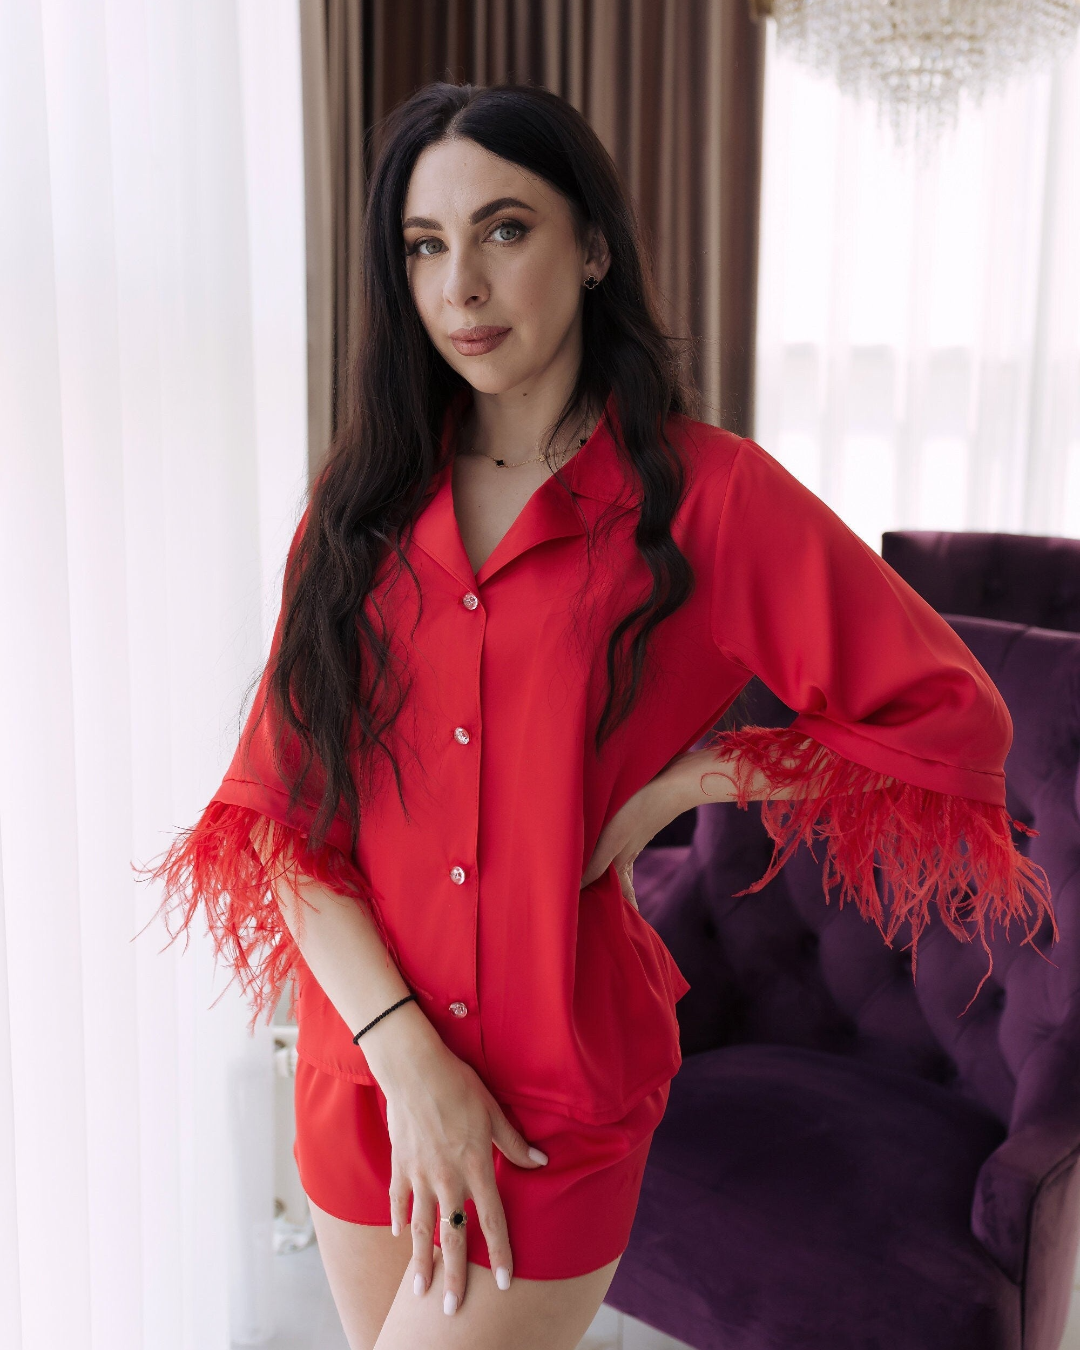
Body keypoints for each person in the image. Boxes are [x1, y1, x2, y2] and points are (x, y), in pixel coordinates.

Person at [143, 81, 1056, 1350]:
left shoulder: (712, 498)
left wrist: (688, 786)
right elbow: (281, 820)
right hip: (366, 1071)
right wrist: (408, 1064)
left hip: (547, 1093)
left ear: (592, 248)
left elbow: (949, 714)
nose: (461, 283)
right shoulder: (353, 512)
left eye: (504, 229)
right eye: (425, 245)